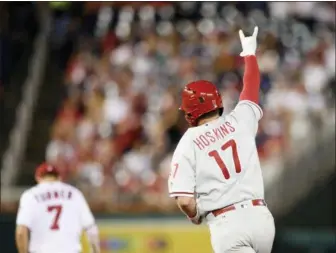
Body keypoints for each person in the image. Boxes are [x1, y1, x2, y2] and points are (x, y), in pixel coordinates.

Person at [168, 27, 275, 253]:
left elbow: (185, 200)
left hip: (228, 224)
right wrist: (250, 54)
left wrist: (196, 216)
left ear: (188, 112)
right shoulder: (240, 120)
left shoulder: (188, 142)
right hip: (262, 218)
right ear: (217, 101)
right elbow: (251, 88)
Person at [15, 162, 100, 253]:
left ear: (38, 178)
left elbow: (20, 232)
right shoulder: (75, 194)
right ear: (59, 178)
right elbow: (92, 230)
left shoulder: (30, 195)